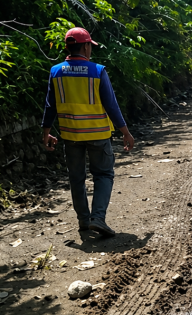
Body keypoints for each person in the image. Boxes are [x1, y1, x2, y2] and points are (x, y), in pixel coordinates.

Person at [41, 27, 134, 237]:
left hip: (70, 136)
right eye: (90, 46)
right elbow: (111, 105)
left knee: (76, 178)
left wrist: (46, 132)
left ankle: (84, 221)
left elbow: (50, 106)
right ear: (84, 46)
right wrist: (125, 132)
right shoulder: (97, 70)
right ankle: (98, 218)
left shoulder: (56, 72)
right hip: (98, 134)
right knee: (103, 174)